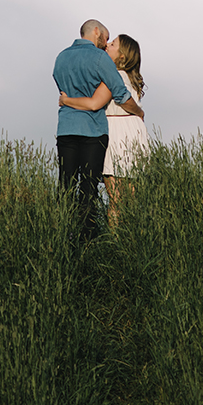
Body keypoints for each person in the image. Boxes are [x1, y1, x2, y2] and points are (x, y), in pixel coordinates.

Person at [53, 20, 144, 240]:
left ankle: (62, 233)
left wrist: (66, 101)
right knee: (92, 188)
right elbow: (112, 98)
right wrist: (139, 113)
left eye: (111, 43)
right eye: (107, 39)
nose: (106, 44)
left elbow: (66, 86)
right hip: (98, 130)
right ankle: (92, 238)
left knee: (67, 185)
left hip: (69, 128)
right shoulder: (101, 60)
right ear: (96, 32)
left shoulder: (61, 57)